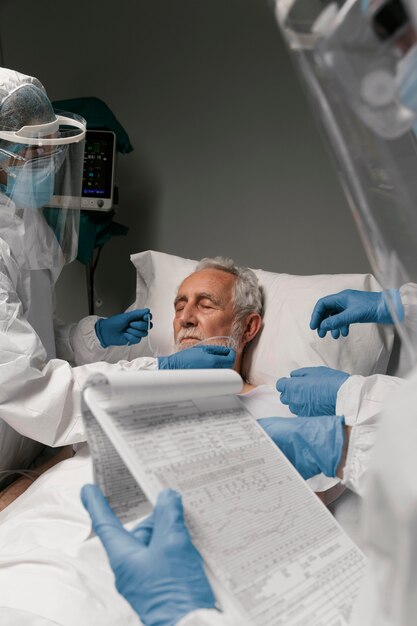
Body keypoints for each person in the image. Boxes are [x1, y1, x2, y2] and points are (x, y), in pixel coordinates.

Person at [78, 1, 417, 625]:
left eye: (205, 303)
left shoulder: (301, 410)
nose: (183, 316)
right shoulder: (118, 393)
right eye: (178, 303)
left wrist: (340, 430)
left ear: (249, 326)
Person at [0, 68, 234, 485]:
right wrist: (158, 375)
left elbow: (31, 338)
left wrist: (92, 337)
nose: (46, 165)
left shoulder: (22, 217)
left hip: (33, 458)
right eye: (34, 153)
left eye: (49, 152)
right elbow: (30, 388)